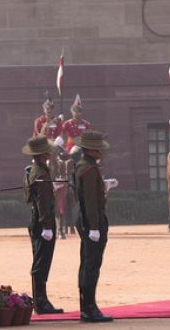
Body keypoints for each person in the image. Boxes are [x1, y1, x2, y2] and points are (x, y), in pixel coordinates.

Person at [74, 130, 113, 323]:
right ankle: (89, 308)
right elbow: (90, 201)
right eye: (99, 148)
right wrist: (95, 227)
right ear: (91, 150)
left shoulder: (83, 166)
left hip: (86, 220)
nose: (102, 151)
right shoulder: (89, 170)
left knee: (87, 263)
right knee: (91, 265)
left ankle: (86, 305)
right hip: (92, 221)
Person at [22, 135, 63, 315]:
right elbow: (43, 202)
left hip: (36, 219)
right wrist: (47, 225)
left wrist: (50, 187)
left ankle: (40, 300)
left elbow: (32, 196)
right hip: (42, 221)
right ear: (43, 154)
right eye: (47, 151)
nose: (50, 153)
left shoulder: (33, 170)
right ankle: (40, 301)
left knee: (40, 261)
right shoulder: (41, 173)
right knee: (42, 262)